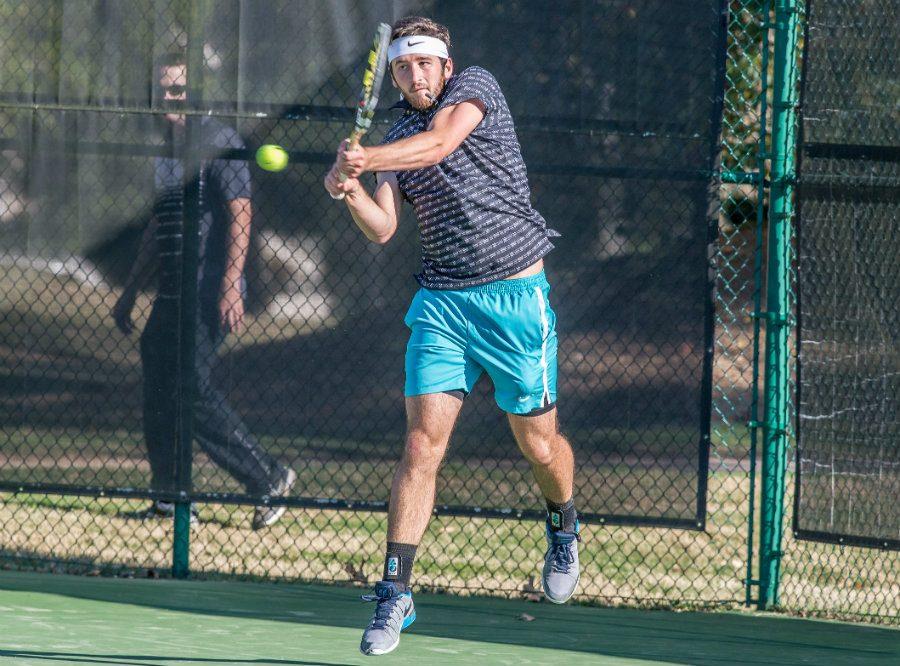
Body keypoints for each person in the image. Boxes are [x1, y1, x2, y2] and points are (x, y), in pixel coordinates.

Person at [324, 16, 580, 656]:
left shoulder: (476, 88)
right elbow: (383, 227)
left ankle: (563, 524)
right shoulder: (394, 132)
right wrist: (350, 189)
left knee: (540, 447)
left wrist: (368, 157)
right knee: (419, 447)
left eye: (423, 64)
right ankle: (395, 592)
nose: (414, 76)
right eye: (402, 68)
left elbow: (439, 145)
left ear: (445, 64)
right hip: (441, 303)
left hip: (515, 299)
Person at [114, 52, 296, 530]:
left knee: (189, 385)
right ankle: (170, 498)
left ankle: (268, 477)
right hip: (170, 291)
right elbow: (159, 224)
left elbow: (241, 214)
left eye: (178, 89)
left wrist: (231, 285)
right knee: (159, 387)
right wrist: (131, 290)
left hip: (208, 289)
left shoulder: (219, 142)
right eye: (162, 90)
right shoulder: (165, 150)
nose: (169, 98)